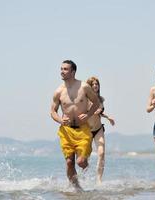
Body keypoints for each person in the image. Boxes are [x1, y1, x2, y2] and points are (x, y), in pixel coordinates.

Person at [50, 60, 100, 191]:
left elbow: (95, 102)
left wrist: (88, 115)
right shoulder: (58, 91)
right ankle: (77, 188)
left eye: (65, 69)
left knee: (81, 162)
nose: (62, 71)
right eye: (61, 69)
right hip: (66, 131)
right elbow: (52, 111)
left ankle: (85, 164)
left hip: (83, 130)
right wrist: (60, 120)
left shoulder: (84, 87)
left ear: (73, 72)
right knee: (69, 162)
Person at [86, 76, 115, 184]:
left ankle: (99, 179)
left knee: (101, 153)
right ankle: (84, 177)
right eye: (92, 84)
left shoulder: (101, 99)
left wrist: (108, 117)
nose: (95, 86)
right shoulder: (84, 99)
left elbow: (100, 112)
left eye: (96, 84)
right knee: (85, 157)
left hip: (98, 129)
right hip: (87, 130)